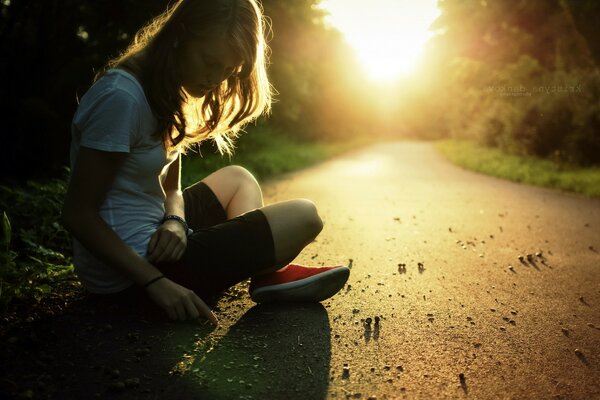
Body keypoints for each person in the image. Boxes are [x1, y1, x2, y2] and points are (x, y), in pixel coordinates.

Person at [61, 0, 350, 325]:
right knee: (305, 216)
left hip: (159, 238)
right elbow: (78, 213)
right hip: (129, 277)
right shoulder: (121, 98)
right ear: (180, 35)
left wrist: (174, 221)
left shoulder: (164, 91)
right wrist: (156, 283)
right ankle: (264, 272)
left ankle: (261, 275)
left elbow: (172, 187)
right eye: (210, 62)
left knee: (238, 178)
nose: (216, 79)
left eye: (228, 71)